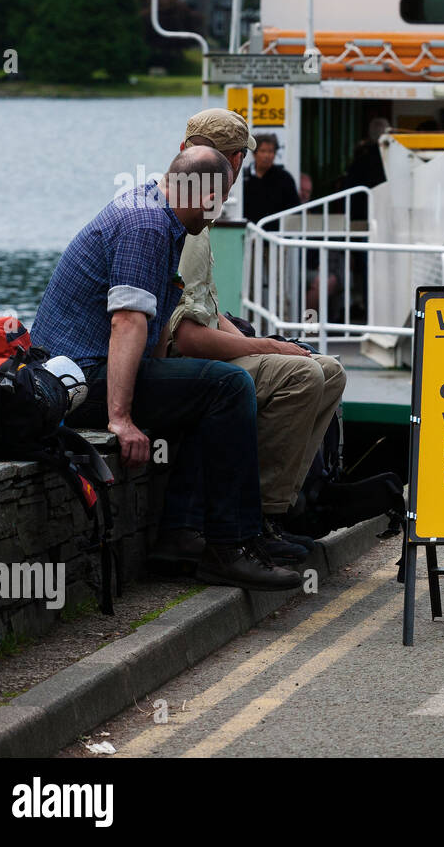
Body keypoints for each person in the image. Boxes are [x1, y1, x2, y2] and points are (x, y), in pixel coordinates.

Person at [31, 147, 300, 591]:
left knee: (201, 389)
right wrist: (121, 419)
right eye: (222, 200)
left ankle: (180, 534)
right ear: (205, 193)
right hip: (77, 382)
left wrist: (170, 382)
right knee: (229, 386)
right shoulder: (147, 225)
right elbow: (127, 321)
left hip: (83, 372)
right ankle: (229, 547)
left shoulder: (157, 212)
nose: (219, 213)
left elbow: (152, 324)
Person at [171, 109, 348, 564]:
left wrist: (272, 343)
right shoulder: (190, 223)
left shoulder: (195, 207)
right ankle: (259, 518)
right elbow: (188, 338)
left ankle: (279, 508)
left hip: (202, 349)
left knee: (329, 371)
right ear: (234, 161)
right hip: (187, 364)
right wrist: (269, 346)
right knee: (303, 377)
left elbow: (207, 310)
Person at [242, 132, 300, 224]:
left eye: (271, 151)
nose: (267, 156)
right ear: (254, 154)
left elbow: (294, 209)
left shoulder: (285, 178)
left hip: (275, 234)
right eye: (263, 151)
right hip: (249, 232)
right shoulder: (243, 178)